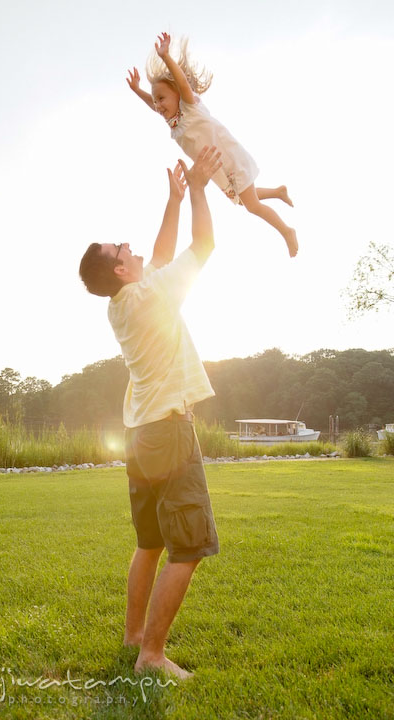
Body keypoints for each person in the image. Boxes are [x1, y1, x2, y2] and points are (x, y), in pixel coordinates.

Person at [79, 146, 222, 679]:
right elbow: (202, 246)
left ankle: (134, 634)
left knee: (149, 542)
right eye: (123, 246)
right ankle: (152, 655)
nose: (131, 245)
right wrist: (202, 189)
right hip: (167, 429)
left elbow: (160, 256)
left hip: (141, 434)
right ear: (120, 266)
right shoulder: (148, 297)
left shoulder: (125, 301)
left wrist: (173, 199)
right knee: (187, 548)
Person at [126, 32, 298, 258]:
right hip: (218, 167)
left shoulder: (189, 107)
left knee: (252, 205)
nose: (158, 105)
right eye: (156, 100)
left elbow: (183, 85)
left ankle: (286, 231)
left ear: (178, 93)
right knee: (242, 200)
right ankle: (278, 191)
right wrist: (139, 91)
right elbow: (153, 105)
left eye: (162, 98)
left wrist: (166, 57)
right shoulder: (174, 121)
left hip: (230, 158)